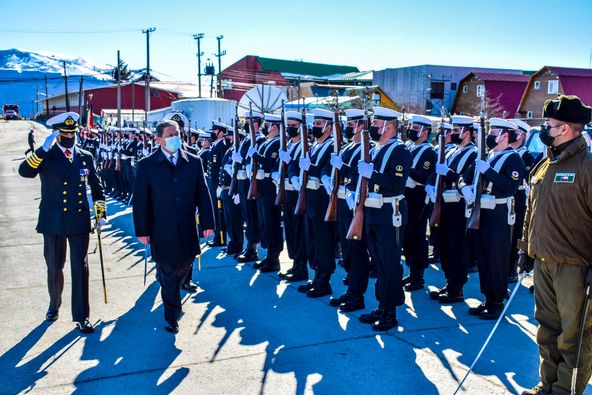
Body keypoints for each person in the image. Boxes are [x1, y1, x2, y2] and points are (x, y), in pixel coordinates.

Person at [519, 95, 592, 395]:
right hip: (544, 261)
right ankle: (547, 386)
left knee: (573, 336)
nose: (543, 129)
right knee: (547, 331)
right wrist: (525, 249)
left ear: (565, 129)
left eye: (548, 124)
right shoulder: (545, 163)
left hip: (575, 267)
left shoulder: (587, 166)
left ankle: (566, 391)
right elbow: (531, 210)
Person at [18, 112, 105, 334]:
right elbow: (25, 172)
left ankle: (82, 316)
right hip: (53, 218)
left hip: (78, 218)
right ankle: (53, 305)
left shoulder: (85, 156)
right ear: (57, 134)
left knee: (80, 267)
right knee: (55, 266)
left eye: (73, 133)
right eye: (65, 133)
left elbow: (97, 187)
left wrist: (100, 212)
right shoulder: (45, 154)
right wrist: (42, 149)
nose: (70, 137)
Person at [132, 119, 215, 334]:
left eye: (177, 133)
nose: (175, 137)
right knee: (168, 271)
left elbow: (203, 195)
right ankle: (171, 316)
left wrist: (208, 223)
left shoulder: (193, 161)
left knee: (184, 265)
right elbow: (141, 201)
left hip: (187, 226)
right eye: (169, 134)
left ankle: (171, 295)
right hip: (161, 228)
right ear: (158, 139)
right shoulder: (147, 165)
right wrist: (142, 230)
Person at [458, 118, 525, 320]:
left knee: (496, 258)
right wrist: (464, 188)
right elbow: (464, 176)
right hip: (481, 213)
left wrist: (488, 171)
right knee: (483, 257)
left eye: (494, 132)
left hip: (498, 215)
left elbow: (510, 187)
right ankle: (488, 297)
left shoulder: (513, 159)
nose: (490, 136)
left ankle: (496, 301)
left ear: (505, 136)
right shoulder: (487, 155)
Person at [356, 106, 412, 331]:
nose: (372, 128)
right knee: (378, 264)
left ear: (389, 127)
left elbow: (397, 184)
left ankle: (390, 311)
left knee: (390, 264)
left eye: (377, 125)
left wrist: (372, 175)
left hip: (390, 213)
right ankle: (381, 305)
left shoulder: (400, 151)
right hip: (373, 211)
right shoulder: (376, 149)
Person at [426, 116, 476, 303]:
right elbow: (436, 172)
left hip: (459, 205)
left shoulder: (473, 154)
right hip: (444, 203)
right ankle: (449, 282)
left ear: (467, 133)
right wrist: (430, 184)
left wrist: (448, 174)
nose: (452, 134)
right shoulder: (451, 152)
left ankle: (457, 287)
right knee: (444, 244)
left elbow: (467, 179)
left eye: (456, 131)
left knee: (456, 246)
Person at [328, 108, 371, 312]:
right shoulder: (347, 148)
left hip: (355, 204)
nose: (347, 127)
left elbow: (358, 174)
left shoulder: (365, 147)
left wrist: (342, 167)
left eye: (351, 124)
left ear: (361, 126)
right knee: (347, 251)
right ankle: (350, 290)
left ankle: (357, 295)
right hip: (343, 202)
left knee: (357, 251)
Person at [297, 108, 336, 298]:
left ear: (329, 127)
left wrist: (310, 169)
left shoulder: (332, 146)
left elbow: (325, 170)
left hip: (322, 201)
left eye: (319, 124)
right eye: (314, 123)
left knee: (323, 242)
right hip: (310, 201)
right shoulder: (313, 146)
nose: (315, 127)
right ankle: (315, 276)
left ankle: (324, 280)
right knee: (311, 240)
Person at [402, 115, 437, 291]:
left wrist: (405, 169)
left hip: (418, 196)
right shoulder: (408, 146)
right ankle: (411, 269)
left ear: (425, 132)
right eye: (411, 127)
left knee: (416, 235)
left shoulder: (429, 152)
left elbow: (424, 177)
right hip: (405, 194)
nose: (411, 131)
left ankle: (418, 275)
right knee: (407, 235)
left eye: (416, 128)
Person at [280, 110, 308, 282]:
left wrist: (289, 161)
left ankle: (301, 266)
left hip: (298, 193)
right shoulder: (289, 145)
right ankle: (295, 263)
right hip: (287, 193)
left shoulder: (304, 146)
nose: (290, 129)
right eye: (288, 126)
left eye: (294, 126)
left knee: (298, 231)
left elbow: (300, 168)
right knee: (290, 230)